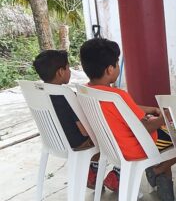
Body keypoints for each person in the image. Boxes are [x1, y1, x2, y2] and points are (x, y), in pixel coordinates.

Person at [79, 38, 176, 201]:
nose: (118, 66)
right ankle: (160, 170)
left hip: (111, 147)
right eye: (117, 63)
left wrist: (151, 111)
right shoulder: (118, 96)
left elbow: (124, 110)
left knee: (158, 123)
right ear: (110, 69)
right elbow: (146, 127)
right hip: (136, 148)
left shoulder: (86, 91)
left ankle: (156, 172)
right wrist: (166, 116)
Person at [32, 50, 120, 191]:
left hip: (55, 141)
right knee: (113, 135)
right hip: (77, 143)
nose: (69, 71)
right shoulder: (66, 96)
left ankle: (93, 172)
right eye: (68, 67)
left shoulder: (39, 93)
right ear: (60, 72)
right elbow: (84, 131)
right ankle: (117, 174)